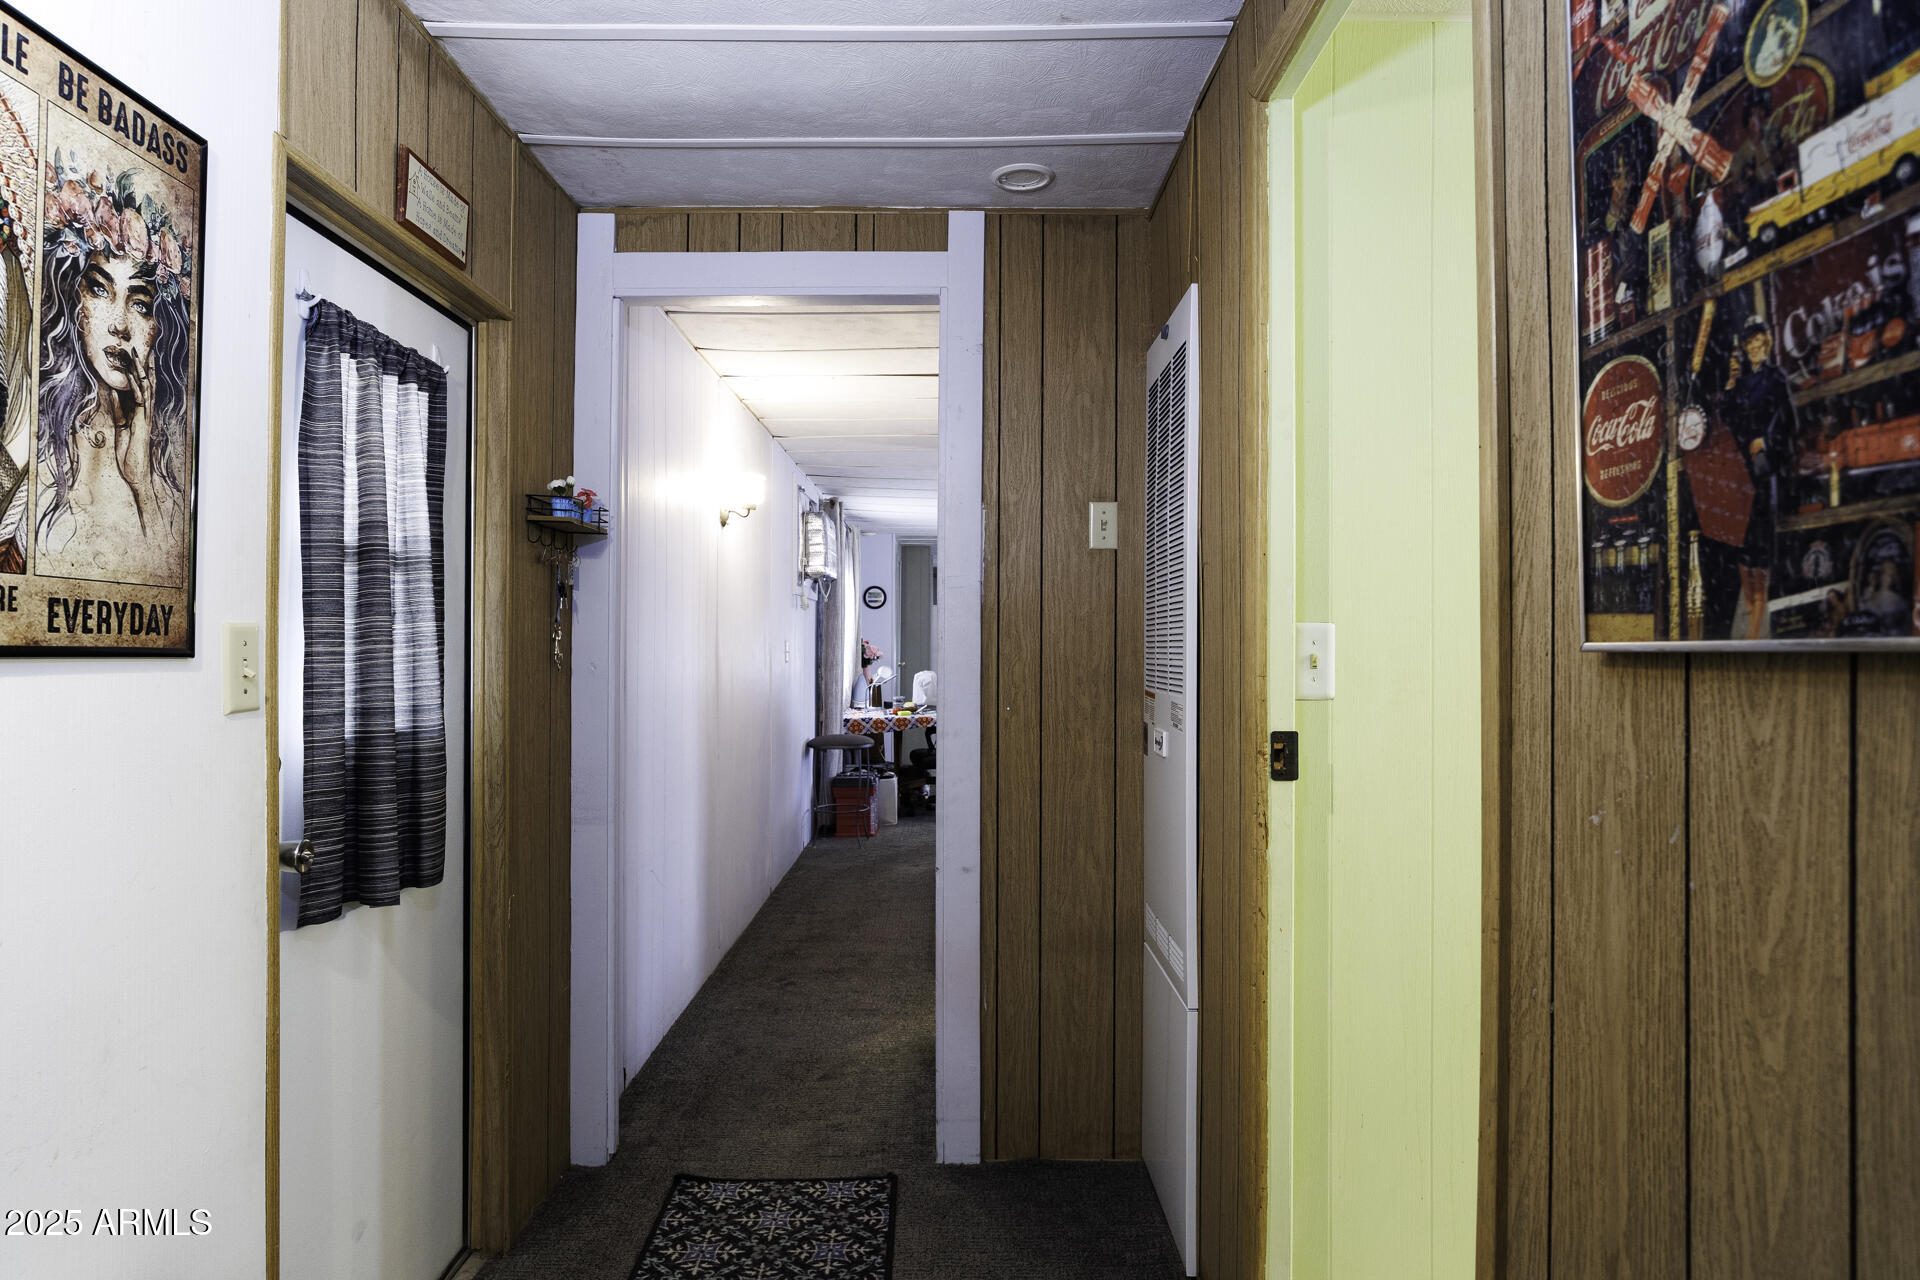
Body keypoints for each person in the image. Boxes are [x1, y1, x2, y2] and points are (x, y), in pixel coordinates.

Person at [36, 159, 193, 586]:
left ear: (160, 326)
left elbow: (168, 597)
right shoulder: (35, 431)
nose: (121, 324)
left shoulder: (170, 453)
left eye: (140, 303)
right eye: (101, 290)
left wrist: (142, 481)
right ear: (76, 303)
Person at [1719, 314, 1799, 637]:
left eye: (1758, 343)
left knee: (1761, 543)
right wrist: (1729, 385)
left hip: (1763, 465)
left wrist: (1766, 439)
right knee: (1743, 541)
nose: (1754, 348)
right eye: (1749, 344)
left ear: (1766, 344)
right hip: (1740, 470)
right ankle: (1749, 607)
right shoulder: (1741, 382)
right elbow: (1727, 417)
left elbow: (1788, 419)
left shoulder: (1776, 378)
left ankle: (1757, 619)